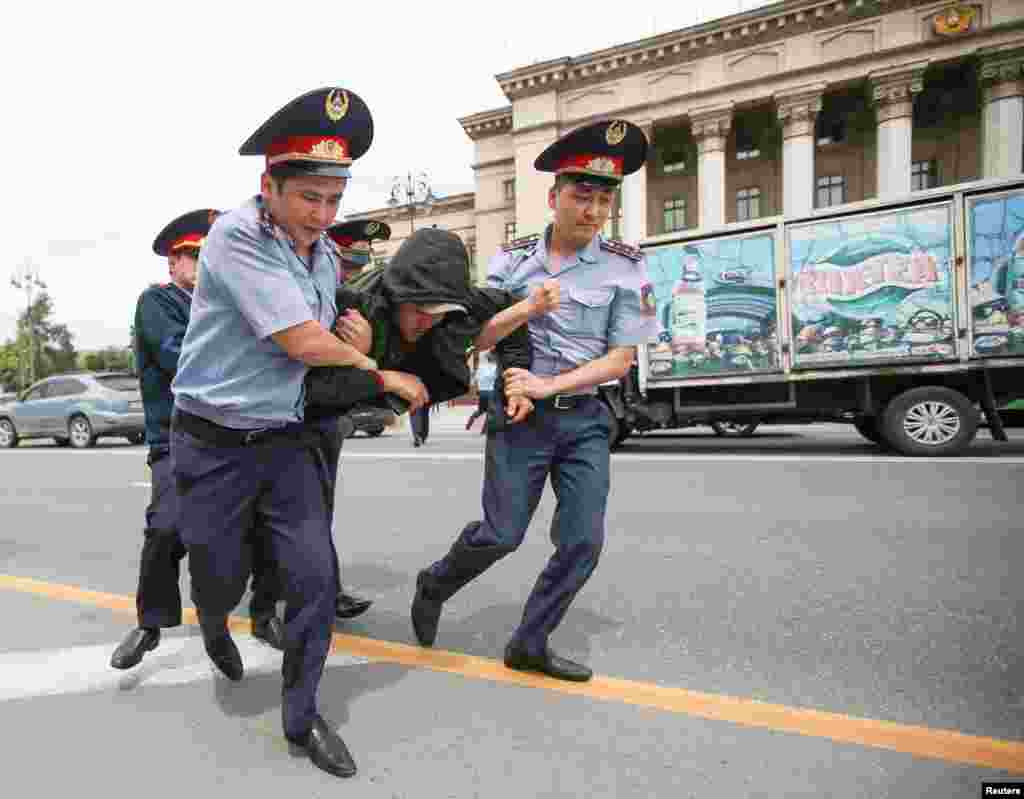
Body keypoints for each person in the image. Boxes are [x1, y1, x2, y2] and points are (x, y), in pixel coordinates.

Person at [169, 87, 427, 779]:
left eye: (334, 199)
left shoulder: (321, 254)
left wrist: (360, 336)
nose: (322, 215)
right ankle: (214, 618)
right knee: (220, 577)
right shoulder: (235, 236)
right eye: (309, 197)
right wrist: (375, 370)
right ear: (269, 186)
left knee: (314, 577)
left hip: (284, 439)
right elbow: (300, 339)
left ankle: (302, 714)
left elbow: (333, 324)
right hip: (213, 439)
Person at [410, 119, 658, 683]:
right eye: (582, 196)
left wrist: (548, 385)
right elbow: (477, 337)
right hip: (519, 418)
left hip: (584, 418)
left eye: (604, 200)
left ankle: (530, 641)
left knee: (583, 542)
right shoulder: (513, 260)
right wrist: (527, 309)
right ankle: (436, 582)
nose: (593, 211)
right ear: (554, 197)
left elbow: (620, 360)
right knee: (502, 534)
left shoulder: (627, 265)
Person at [246, 218, 393, 632]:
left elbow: (369, 364)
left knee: (317, 514)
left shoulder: (351, 303)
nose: (350, 273)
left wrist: (364, 352)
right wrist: (356, 354)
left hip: (326, 422)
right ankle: (267, 604)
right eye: (346, 262)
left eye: (359, 263)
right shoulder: (296, 294)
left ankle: (324, 591)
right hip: (284, 420)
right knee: (282, 517)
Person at [110, 209, 218, 670]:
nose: (202, 264)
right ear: (173, 263)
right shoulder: (158, 302)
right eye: (193, 256)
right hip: (176, 438)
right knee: (168, 525)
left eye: (209, 256)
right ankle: (150, 623)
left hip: (229, 438)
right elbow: (180, 358)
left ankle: (260, 614)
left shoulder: (225, 303)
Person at [465, 350, 498, 432]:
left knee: (480, 411)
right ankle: (484, 430)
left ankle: (469, 424)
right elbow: (496, 378)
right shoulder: (495, 367)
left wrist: (476, 389)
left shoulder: (481, 367)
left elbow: (475, 379)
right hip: (490, 391)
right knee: (490, 411)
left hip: (481, 391)